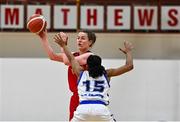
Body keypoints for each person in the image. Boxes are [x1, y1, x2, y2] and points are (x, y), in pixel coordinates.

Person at [54, 33, 134, 121]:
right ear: (100, 65)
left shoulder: (81, 73)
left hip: (83, 108)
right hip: (101, 109)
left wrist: (63, 45)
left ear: (86, 66)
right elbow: (129, 66)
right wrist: (128, 52)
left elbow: (71, 59)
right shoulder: (106, 74)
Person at [38, 29, 96, 120]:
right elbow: (52, 56)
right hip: (76, 96)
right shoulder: (72, 54)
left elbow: (67, 61)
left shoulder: (90, 56)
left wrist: (63, 45)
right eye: (78, 38)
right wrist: (43, 38)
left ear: (90, 42)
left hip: (86, 97)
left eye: (83, 38)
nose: (79, 40)